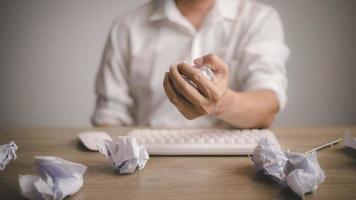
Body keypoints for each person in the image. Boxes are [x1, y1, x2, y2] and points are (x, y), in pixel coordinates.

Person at [92, 0, 289, 128]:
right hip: (150, 158)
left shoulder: (259, 19)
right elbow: (110, 113)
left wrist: (221, 103)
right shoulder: (127, 26)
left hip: (234, 160)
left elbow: (268, 107)